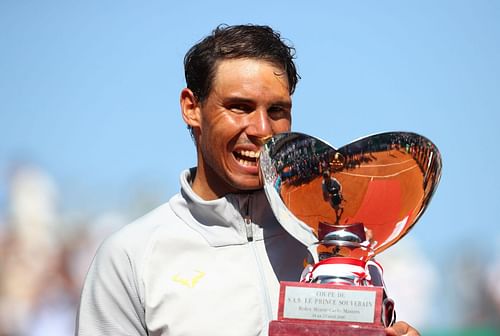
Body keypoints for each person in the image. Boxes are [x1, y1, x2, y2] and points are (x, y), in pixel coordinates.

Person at [75, 24, 420, 336]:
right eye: (239, 107)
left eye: (276, 111)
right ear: (191, 107)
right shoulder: (132, 257)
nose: (262, 131)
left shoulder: (335, 244)